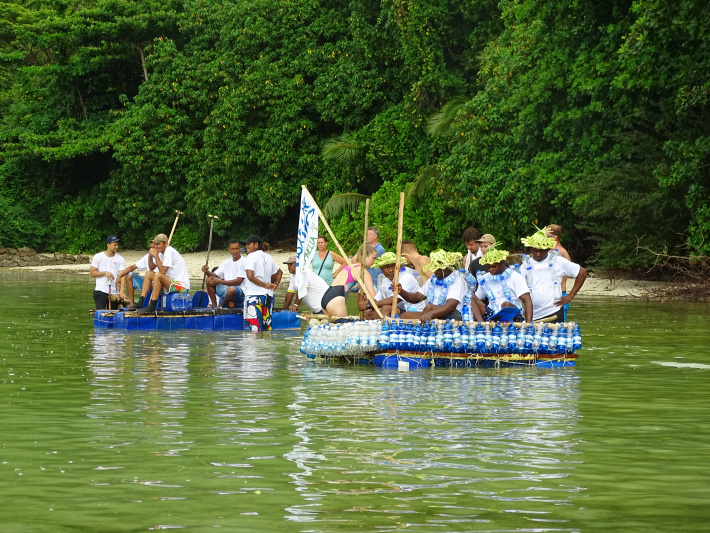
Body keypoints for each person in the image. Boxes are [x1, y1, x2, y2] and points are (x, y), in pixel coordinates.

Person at [521, 228, 587, 322]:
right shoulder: (524, 266)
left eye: (542, 251)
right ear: (531, 249)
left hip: (553, 312)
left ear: (548, 249)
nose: (538, 254)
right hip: (532, 315)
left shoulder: (558, 261)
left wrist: (570, 296)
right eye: (535, 251)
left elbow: (582, 273)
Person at [398, 250, 484, 322]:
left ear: (446, 267)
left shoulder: (458, 280)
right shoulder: (434, 278)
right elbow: (417, 297)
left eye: (437, 269)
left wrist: (430, 314)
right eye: (434, 268)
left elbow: (450, 306)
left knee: (430, 308)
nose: (435, 271)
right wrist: (401, 291)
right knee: (404, 316)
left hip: (456, 315)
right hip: (434, 313)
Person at [357, 252, 426, 319]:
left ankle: (386, 327)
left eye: (393, 266)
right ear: (381, 269)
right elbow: (377, 300)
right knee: (370, 313)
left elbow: (394, 299)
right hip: (399, 310)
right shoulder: (385, 281)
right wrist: (366, 302)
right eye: (387, 267)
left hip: (413, 311)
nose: (391, 270)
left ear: (398, 266)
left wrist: (368, 305)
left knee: (386, 308)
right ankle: (384, 324)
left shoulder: (406, 277)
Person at [136, 233, 191, 314]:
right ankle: (142, 301)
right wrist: (150, 257)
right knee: (149, 273)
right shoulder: (161, 252)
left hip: (181, 286)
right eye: (155, 244)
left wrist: (156, 256)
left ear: (165, 243)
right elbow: (151, 268)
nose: (155, 246)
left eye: (158, 244)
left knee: (158, 275)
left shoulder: (169, 251)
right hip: (170, 282)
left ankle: (152, 305)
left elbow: (163, 271)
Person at [475, 247, 533, 322]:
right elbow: (476, 298)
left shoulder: (515, 277)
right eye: (488, 267)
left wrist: (528, 326)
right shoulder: (485, 278)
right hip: (492, 315)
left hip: (513, 316)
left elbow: (527, 301)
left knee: (506, 305)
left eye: (494, 266)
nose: (491, 270)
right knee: (471, 298)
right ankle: (482, 326)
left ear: (502, 263)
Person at [321, 243, 377, 317]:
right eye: (373, 258)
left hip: (326, 297)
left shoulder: (351, 266)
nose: (374, 261)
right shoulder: (362, 271)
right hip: (336, 300)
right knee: (343, 326)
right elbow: (373, 296)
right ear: (365, 257)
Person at [242, 234, 282, 331]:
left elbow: (250, 276)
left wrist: (265, 285)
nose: (246, 246)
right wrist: (274, 286)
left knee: (253, 329)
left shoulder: (251, 256)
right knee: (266, 328)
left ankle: (254, 347)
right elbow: (280, 272)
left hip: (253, 295)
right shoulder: (268, 257)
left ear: (256, 245)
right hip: (268, 296)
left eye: (249, 244)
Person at [201, 239, 247, 308]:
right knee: (209, 280)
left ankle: (221, 307)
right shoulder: (226, 262)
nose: (235, 251)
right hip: (226, 287)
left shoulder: (244, 261)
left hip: (240, 289)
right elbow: (215, 275)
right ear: (229, 250)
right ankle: (214, 306)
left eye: (237, 248)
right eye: (233, 249)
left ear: (240, 248)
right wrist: (207, 271)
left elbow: (238, 281)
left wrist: (219, 281)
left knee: (231, 289)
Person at [90, 235, 128, 309]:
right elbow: (92, 273)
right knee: (101, 313)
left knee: (113, 314)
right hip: (100, 290)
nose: (116, 247)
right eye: (115, 245)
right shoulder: (98, 256)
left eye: (117, 245)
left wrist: (122, 290)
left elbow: (122, 275)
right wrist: (105, 273)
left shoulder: (120, 259)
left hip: (114, 292)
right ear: (108, 245)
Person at [118, 239, 156, 307]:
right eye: (150, 247)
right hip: (147, 283)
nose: (152, 249)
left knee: (148, 274)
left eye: (154, 247)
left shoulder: (162, 256)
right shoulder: (148, 256)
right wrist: (120, 276)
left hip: (157, 282)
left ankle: (144, 302)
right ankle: (132, 304)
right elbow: (132, 267)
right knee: (129, 275)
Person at [546, 224, 573, 319]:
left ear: (555, 238)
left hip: (560, 296)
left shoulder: (560, 253)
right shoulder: (550, 252)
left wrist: (570, 296)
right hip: (552, 296)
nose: (544, 239)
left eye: (546, 236)